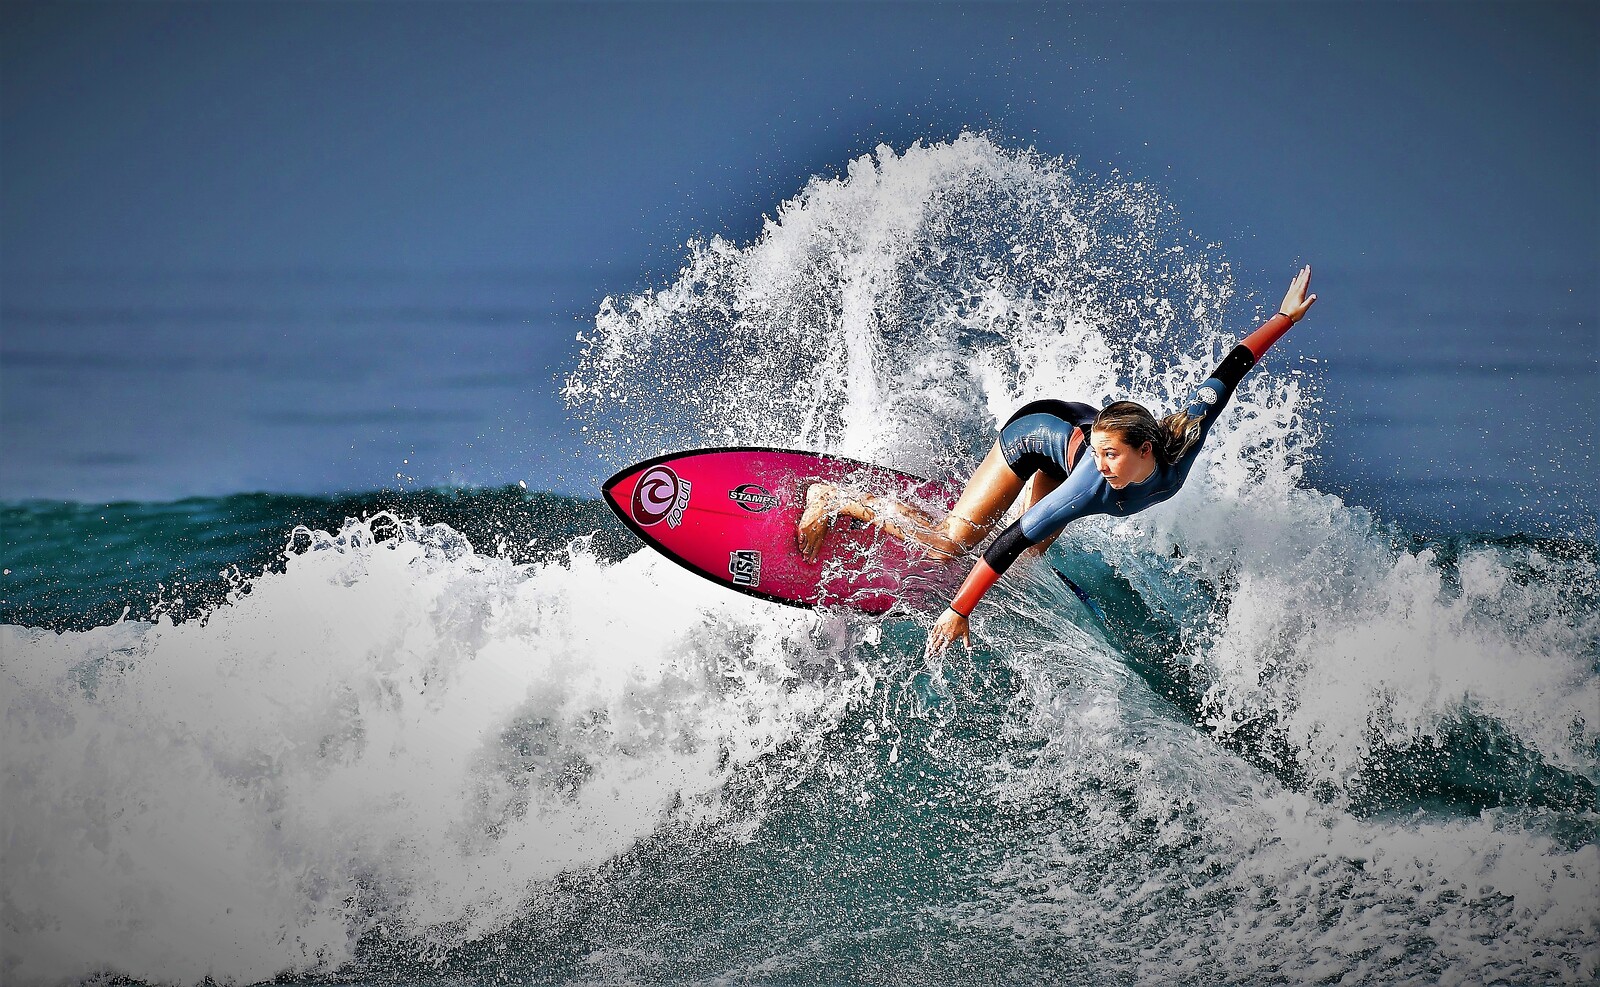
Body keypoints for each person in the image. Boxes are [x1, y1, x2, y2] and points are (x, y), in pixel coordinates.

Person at [796, 266, 1317, 657]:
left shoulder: (1182, 437)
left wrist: (1285, 319)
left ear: (1147, 450)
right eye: (1101, 455)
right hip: (1035, 433)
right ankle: (836, 498)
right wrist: (959, 610)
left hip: (1076, 435)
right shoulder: (1093, 483)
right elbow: (1010, 537)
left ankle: (994, 506)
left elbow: (1231, 369)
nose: (1105, 463)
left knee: (1034, 561)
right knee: (948, 548)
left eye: (1112, 454)